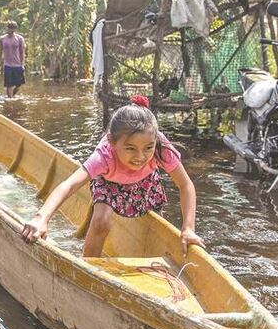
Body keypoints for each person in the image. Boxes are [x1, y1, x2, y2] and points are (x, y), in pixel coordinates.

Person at [20, 96, 204, 257]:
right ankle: (89, 264)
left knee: (154, 225)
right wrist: (41, 217)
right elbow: (69, 185)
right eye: (131, 148)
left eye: (148, 148)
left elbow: (185, 186)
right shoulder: (104, 156)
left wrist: (188, 228)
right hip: (109, 181)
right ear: (113, 143)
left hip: (146, 180)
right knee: (101, 221)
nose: (140, 157)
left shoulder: (161, 150)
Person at [0, 21, 25, 98]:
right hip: (7, 65)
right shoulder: (2, 39)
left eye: (11, 28)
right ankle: (10, 100)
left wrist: (22, 65)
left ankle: (11, 96)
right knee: (9, 85)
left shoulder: (20, 39)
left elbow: (22, 52)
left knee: (18, 85)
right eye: (8, 28)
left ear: (14, 29)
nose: (9, 30)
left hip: (18, 65)